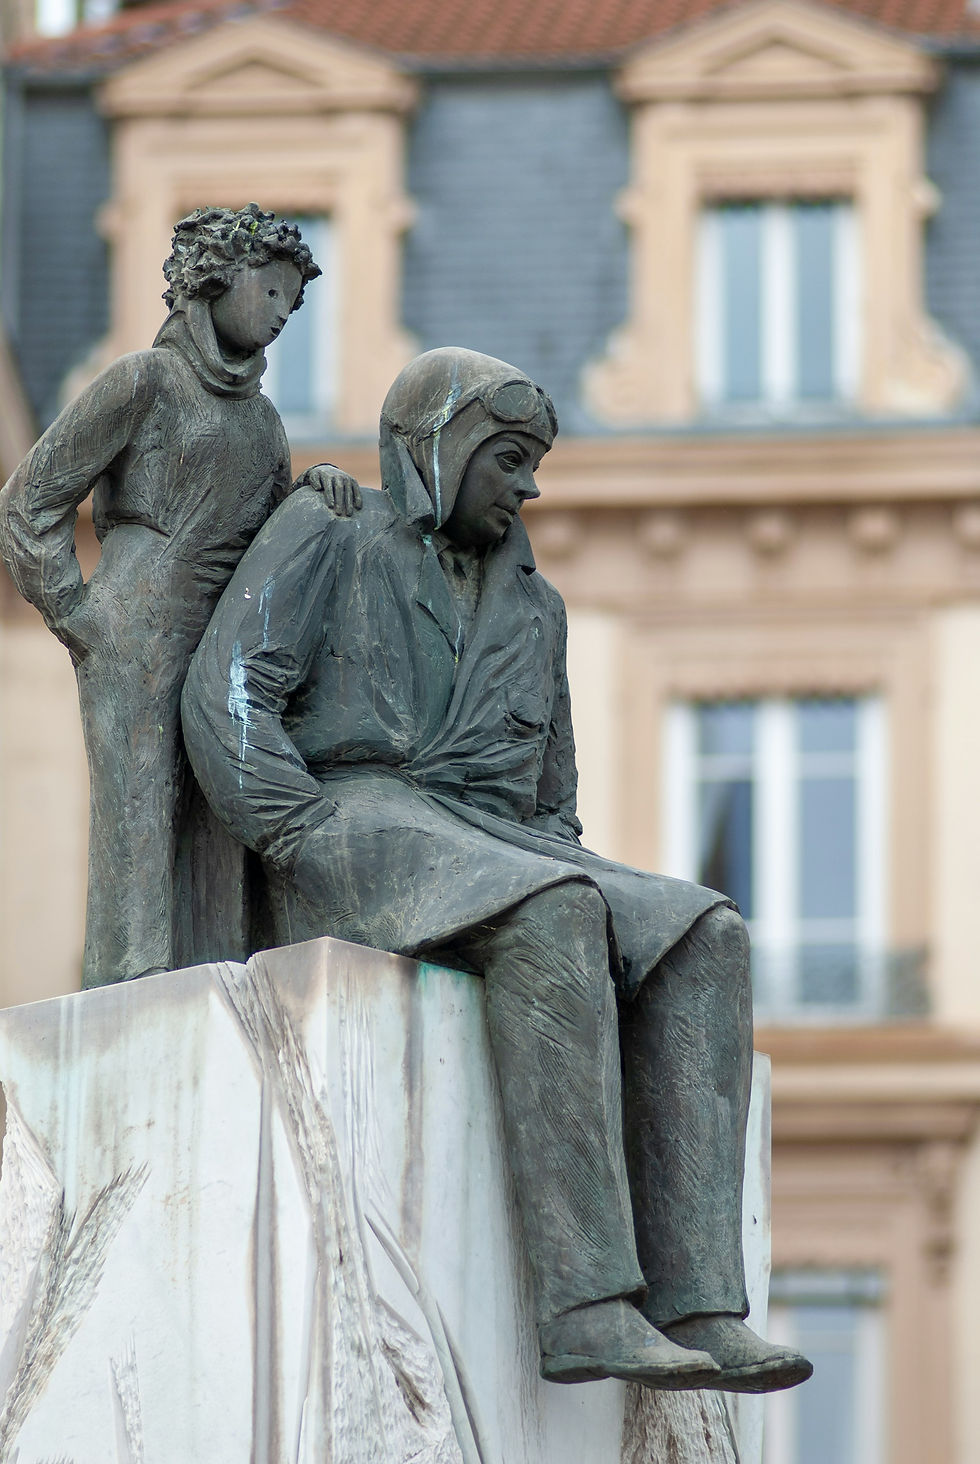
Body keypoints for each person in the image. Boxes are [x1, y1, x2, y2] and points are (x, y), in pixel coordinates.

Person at [181, 346, 812, 1392]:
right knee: (556, 912)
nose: (527, 487)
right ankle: (586, 1307)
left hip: (496, 841)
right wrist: (294, 833)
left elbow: (555, 793)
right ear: (438, 447)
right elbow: (229, 696)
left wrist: (587, 880)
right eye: (509, 459)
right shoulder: (329, 531)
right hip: (356, 818)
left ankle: (699, 1303)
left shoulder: (537, 607)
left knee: (704, 933)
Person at [0, 204, 360, 988]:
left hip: (224, 635)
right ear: (215, 278)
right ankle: (132, 990)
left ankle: (213, 982)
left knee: (218, 813)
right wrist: (77, 613)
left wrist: (314, 493)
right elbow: (29, 502)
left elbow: (267, 539)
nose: (278, 314)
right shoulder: (144, 382)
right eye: (270, 290)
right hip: (136, 617)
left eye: (291, 304)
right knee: (139, 813)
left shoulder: (265, 422)